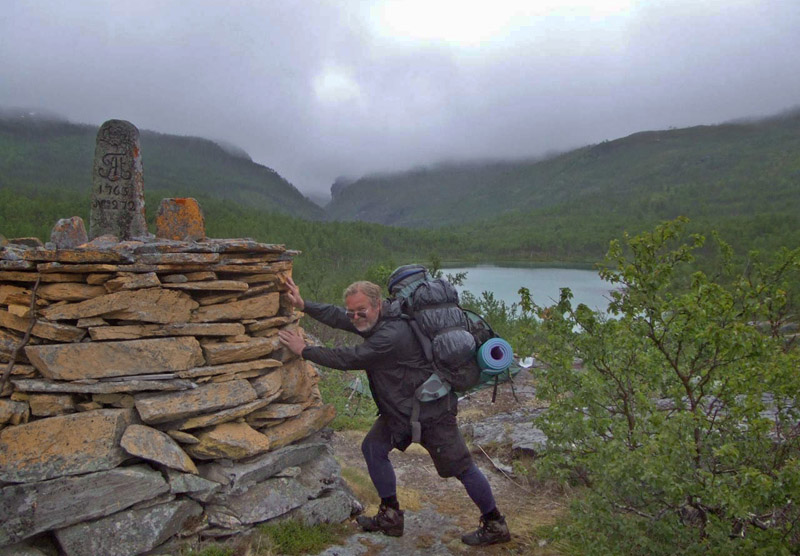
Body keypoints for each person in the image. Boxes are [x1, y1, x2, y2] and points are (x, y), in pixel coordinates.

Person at [277, 276, 511, 546]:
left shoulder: (392, 335)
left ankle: (495, 524)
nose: (355, 317)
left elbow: (350, 358)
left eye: (360, 311)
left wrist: (304, 350)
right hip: (401, 412)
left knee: (463, 468)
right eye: (352, 311)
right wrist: (304, 304)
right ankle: (390, 516)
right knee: (373, 449)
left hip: (432, 414)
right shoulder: (382, 316)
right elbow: (341, 316)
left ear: (377, 305)